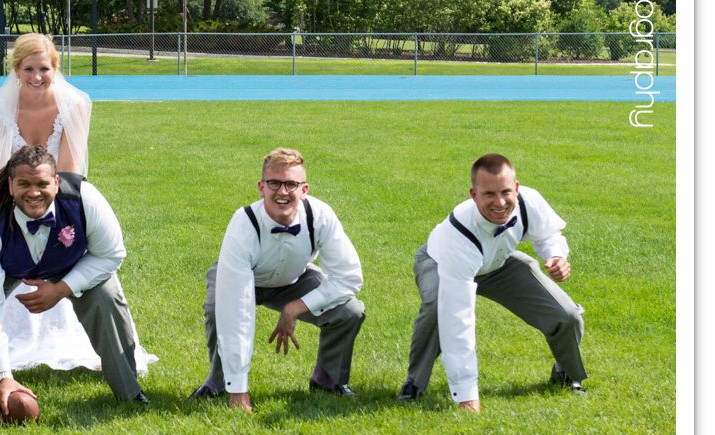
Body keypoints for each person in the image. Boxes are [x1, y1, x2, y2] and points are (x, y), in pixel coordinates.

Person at [0, 32, 155, 379]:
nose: (36, 77)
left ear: (55, 68)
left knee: (67, 246)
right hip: (12, 203)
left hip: (58, 203)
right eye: (28, 70)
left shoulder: (75, 106)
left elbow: (69, 176)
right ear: (16, 70)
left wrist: (47, 218)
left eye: (44, 69)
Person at [0, 145, 146, 413]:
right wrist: (3, 376)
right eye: (24, 184)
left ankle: (130, 392)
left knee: (106, 296)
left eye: (42, 184)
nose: (34, 192)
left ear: (56, 182)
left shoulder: (85, 199)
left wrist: (62, 289)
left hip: (69, 261)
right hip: (5, 264)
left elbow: (111, 254)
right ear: (10, 185)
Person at [398, 153, 585, 412]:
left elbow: (548, 234)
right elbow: (458, 320)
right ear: (474, 195)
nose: (500, 202)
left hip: (497, 262)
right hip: (441, 263)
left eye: (506, 192)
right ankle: (414, 384)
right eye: (489, 195)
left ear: (516, 187)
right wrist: (466, 395)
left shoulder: (529, 200)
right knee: (437, 309)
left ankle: (566, 374)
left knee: (567, 315)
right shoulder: (458, 236)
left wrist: (556, 256)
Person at [193, 148, 366, 413]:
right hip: (241, 277)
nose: (282, 192)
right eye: (274, 183)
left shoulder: (320, 216)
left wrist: (295, 307)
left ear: (304, 189)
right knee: (220, 308)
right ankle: (220, 384)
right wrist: (240, 391)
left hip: (293, 279)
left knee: (350, 311)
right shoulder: (243, 223)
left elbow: (349, 277)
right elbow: (236, 313)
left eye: (291, 184)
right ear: (261, 187)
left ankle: (328, 380)